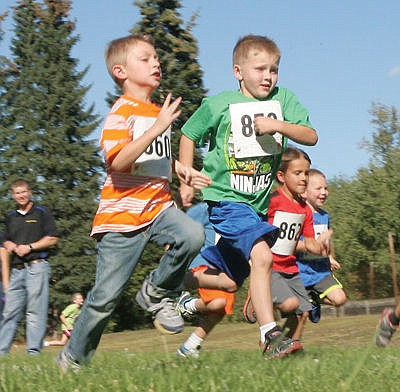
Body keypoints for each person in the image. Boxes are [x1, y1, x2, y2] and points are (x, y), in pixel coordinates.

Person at [56, 34, 211, 372]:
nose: (156, 62)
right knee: (103, 300)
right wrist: (156, 129)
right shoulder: (121, 113)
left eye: (156, 57)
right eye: (145, 58)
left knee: (193, 234)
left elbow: (155, 160)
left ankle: (156, 291)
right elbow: (119, 161)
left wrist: (183, 169)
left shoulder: (157, 113)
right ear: (120, 71)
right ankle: (72, 358)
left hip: (158, 209)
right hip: (121, 221)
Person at [179, 34, 318, 358]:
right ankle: (269, 335)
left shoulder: (283, 100)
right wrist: (186, 174)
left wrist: (277, 125)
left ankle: (171, 281)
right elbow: (188, 133)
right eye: (260, 69)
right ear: (238, 71)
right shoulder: (219, 103)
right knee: (263, 257)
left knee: (228, 282)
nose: (268, 76)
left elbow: (311, 135)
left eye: (274, 69)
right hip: (226, 199)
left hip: (256, 206)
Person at [243, 148, 331, 346]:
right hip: (271, 267)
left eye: (306, 173)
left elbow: (309, 242)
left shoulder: (304, 210)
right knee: (290, 303)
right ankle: (257, 297)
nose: (304, 178)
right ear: (281, 176)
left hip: (291, 267)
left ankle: (287, 344)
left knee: (303, 311)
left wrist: (319, 248)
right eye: (297, 173)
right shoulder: (272, 201)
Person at [0, 179, 58, 356]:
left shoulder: (41, 213)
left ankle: (33, 353)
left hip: (37, 267)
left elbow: (53, 238)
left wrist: (30, 247)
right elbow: (3, 242)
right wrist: (8, 244)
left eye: (24, 192)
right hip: (17, 270)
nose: (21, 195)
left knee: (35, 311)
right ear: (13, 195)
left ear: (29, 192)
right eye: (17, 193)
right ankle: (1, 352)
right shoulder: (10, 217)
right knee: (9, 311)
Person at [175, 202, 235, 358]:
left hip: (225, 270)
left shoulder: (238, 211)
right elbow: (180, 232)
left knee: (219, 311)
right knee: (218, 302)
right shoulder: (202, 209)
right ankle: (187, 305)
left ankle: (188, 347)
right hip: (204, 264)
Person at [296, 168, 346, 323]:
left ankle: (315, 298)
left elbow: (325, 242)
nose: (324, 192)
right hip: (300, 272)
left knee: (340, 299)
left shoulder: (324, 216)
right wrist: (306, 247)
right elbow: (290, 242)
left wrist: (329, 257)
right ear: (304, 192)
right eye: (318, 188)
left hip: (320, 272)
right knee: (299, 315)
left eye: (326, 188)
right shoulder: (298, 215)